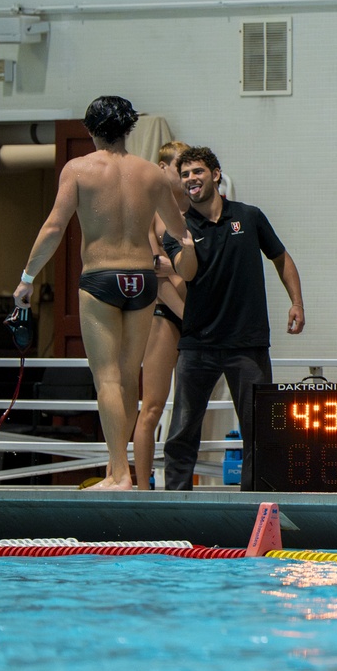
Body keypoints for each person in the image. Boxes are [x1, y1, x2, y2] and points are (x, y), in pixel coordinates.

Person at [13, 96, 195, 491]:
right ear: (128, 129)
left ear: (91, 130)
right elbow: (180, 230)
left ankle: (118, 473)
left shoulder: (79, 169)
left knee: (108, 377)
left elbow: (53, 228)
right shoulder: (152, 174)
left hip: (101, 278)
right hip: (143, 280)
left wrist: (27, 277)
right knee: (130, 375)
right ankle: (122, 469)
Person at [161, 145, 305, 491]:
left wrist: (297, 302)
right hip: (198, 344)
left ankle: (252, 506)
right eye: (184, 175)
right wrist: (186, 239)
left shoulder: (249, 216)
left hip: (247, 342)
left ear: (215, 174)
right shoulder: (176, 230)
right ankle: (175, 504)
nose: (191, 179)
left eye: (197, 171)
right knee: (182, 431)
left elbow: (281, 258)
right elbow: (188, 273)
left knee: (259, 430)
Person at [130, 139, 191, 488]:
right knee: (152, 406)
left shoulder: (199, 211)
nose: (185, 176)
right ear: (163, 169)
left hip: (196, 316)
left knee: (186, 411)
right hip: (166, 313)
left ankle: (179, 483)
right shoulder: (150, 212)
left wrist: (171, 270)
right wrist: (185, 312)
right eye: (179, 168)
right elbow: (155, 272)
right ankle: (141, 488)